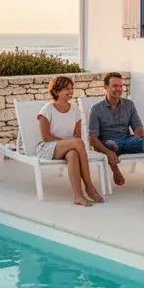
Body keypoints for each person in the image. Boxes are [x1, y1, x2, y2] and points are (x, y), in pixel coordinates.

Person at [35, 76, 104, 207]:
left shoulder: (75, 110)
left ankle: (78, 195)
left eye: (71, 89)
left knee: (73, 153)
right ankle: (89, 186)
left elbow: (76, 135)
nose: (70, 91)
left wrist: (69, 144)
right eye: (67, 89)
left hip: (68, 147)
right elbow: (45, 136)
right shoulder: (47, 109)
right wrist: (67, 143)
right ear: (56, 91)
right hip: (48, 147)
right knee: (77, 143)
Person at [87, 72, 144, 186]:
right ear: (105, 87)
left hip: (126, 139)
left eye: (120, 86)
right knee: (112, 145)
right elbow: (92, 139)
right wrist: (107, 151)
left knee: (134, 141)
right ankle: (119, 168)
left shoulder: (129, 105)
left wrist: (139, 136)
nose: (118, 89)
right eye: (115, 86)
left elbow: (137, 127)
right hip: (108, 142)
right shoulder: (96, 109)